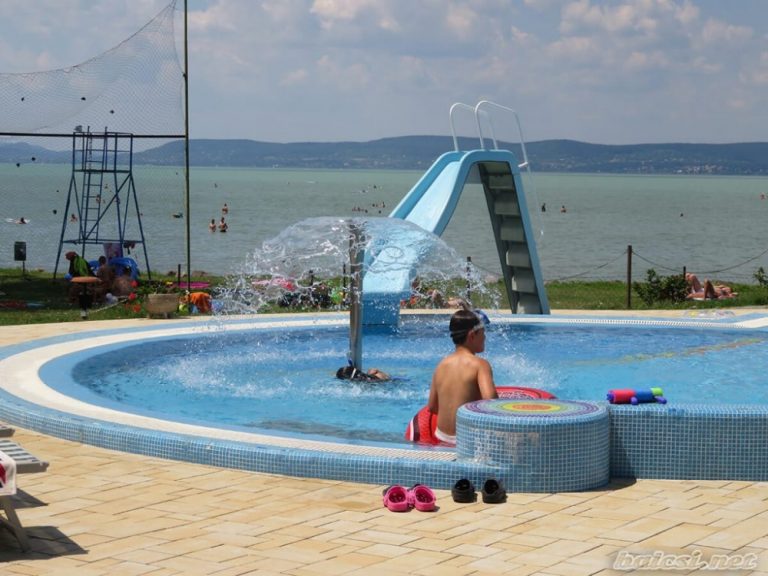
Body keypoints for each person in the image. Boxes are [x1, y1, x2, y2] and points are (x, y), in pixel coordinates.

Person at [427, 308, 497, 445]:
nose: (485, 337)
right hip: (468, 441)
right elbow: (491, 403)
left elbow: (432, 407)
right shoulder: (480, 365)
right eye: (483, 332)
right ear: (472, 335)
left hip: (442, 438)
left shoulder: (441, 364)